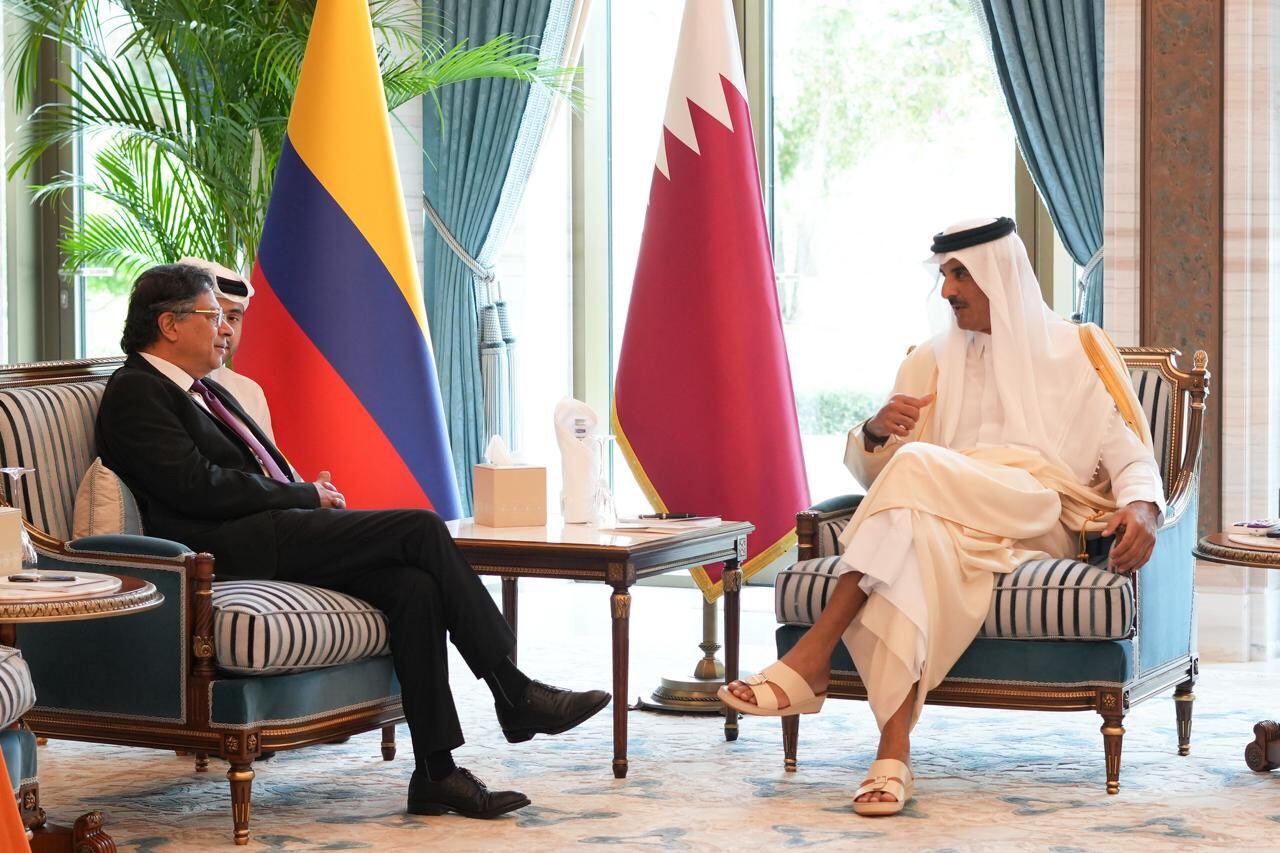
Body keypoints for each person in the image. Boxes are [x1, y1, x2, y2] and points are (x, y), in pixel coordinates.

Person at [96, 263, 610, 819]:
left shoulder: (207, 392)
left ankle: (437, 772)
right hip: (218, 552)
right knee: (420, 527)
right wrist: (300, 498)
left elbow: (243, 472)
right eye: (214, 316)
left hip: (264, 528)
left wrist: (301, 491)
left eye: (228, 317)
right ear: (169, 324)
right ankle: (514, 690)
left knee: (414, 586)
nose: (226, 328)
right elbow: (196, 487)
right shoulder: (137, 392)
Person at [720, 217, 1164, 816]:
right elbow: (878, 480)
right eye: (944, 275)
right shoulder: (929, 361)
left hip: (1038, 510)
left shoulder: (1075, 349)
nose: (947, 290)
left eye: (960, 274)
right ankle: (893, 752)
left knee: (919, 467)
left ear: (998, 278)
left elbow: (1132, 456)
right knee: (911, 536)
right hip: (951, 519)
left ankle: (811, 656)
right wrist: (875, 431)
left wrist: (1142, 510)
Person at [178, 257, 275, 443]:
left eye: (233, 318)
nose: (226, 329)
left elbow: (267, 465)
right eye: (215, 316)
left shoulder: (249, 391)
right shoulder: (154, 390)